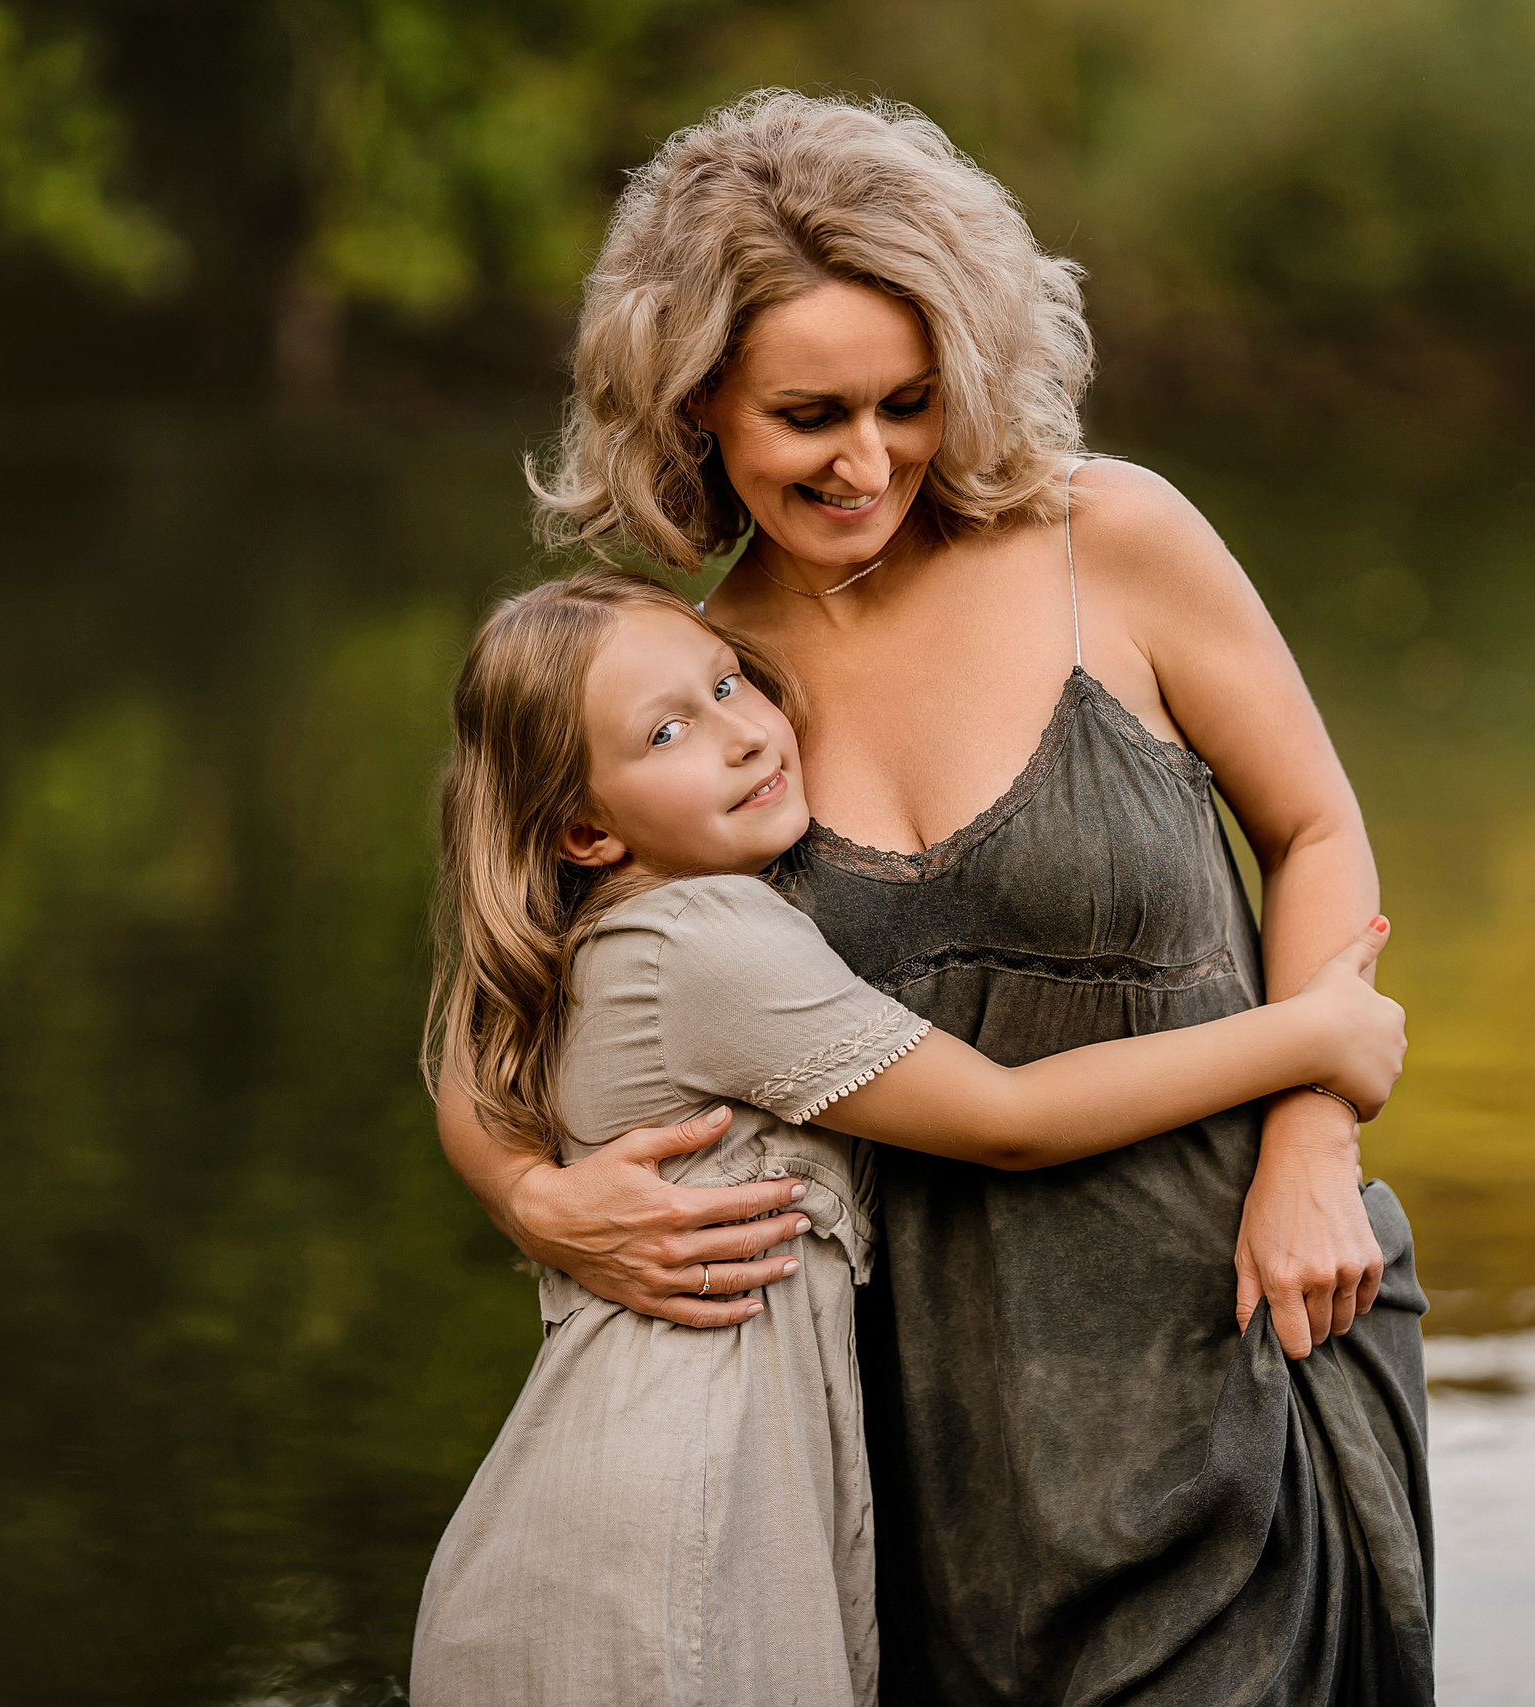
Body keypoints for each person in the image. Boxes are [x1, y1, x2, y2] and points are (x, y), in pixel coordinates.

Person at [439, 91, 1436, 1702]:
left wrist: (1318, 1141)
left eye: (909, 400)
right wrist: (527, 1194)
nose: (869, 458)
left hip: (1241, 1328)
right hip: (912, 1434)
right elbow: (523, 988)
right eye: (809, 413)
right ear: (695, 404)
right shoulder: (700, 692)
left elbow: (1319, 831)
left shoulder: (1109, 537)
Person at [409, 570, 1406, 1707]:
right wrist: (1309, 1037)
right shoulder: (705, 938)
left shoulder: (612, 935)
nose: (739, 735)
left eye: (731, 682)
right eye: (671, 730)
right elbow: (1009, 1120)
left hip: (663, 1494)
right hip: (670, 1535)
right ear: (584, 829)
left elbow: (471, 1060)